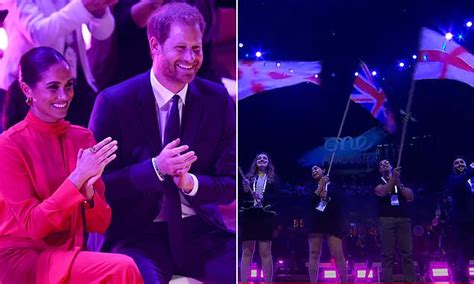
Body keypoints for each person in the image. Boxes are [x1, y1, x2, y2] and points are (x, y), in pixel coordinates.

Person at [88, 3, 236, 283]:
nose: (191, 58)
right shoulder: (113, 102)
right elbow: (97, 187)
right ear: (155, 46)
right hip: (136, 235)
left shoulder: (217, 100)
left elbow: (229, 185)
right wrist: (155, 169)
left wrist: (190, 183)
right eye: (180, 48)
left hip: (201, 233)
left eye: (197, 48)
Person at [0, 47, 143, 283]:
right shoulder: (8, 146)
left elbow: (101, 223)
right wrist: (77, 179)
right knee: (122, 267)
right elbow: (34, 226)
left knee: (120, 266)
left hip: (71, 253)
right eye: (53, 87)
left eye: (69, 85)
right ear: (27, 90)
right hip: (23, 259)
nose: (65, 96)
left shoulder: (83, 138)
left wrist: (87, 194)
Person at [0, 0, 116, 127]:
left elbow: (103, 33)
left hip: (73, 81)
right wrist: (83, 6)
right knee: (31, 144)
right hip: (29, 88)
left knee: (82, 140)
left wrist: (99, 12)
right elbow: (39, 34)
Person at [374, 159, 416, 282]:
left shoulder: (400, 179)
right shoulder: (377, 181)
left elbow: (410, 197)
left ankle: (410, 280)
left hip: (403, 219)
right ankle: (387, 280)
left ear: (391, 166)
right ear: (379, 170)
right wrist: (394, 178)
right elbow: (383, 191)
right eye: (381, 164)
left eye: (386, 163)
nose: (384, 165)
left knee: (407, 253)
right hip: (386, 219)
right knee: (387, 254)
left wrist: (398, 181)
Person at [240, 152, 278, 282]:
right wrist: (245, 189)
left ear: (268, 162)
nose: (262, 159)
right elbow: (240, 198)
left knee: (265, 251)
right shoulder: (248, 178)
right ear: (256, 162)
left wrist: (264, 198)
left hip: (265, 216)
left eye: (265, 158)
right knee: (246, 251)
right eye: (259, 158)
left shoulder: (274, 179)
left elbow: (278, 197)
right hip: (250, 215)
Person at [307, 165, 347, 283]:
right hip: (315, 221)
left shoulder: (334, 186)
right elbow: (309, 202)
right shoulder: (310, 186)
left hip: (332, 221)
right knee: (314, 253)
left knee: (337, 253)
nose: (314, 171)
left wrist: (328, 198)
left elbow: (340, 203)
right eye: (312, 169)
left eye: (316, 168)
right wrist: (320, 187)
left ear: (323, 170)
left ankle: (344, 281)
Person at [446, 157, 474, 281]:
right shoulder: (453, 179)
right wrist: (470, 170)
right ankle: (461, 278)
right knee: (463, 250)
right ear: (453, 167)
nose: (459, 164)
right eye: (456, 163)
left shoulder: (471, 178)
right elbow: (458, 183)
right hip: (461, 221)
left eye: (462, 162)